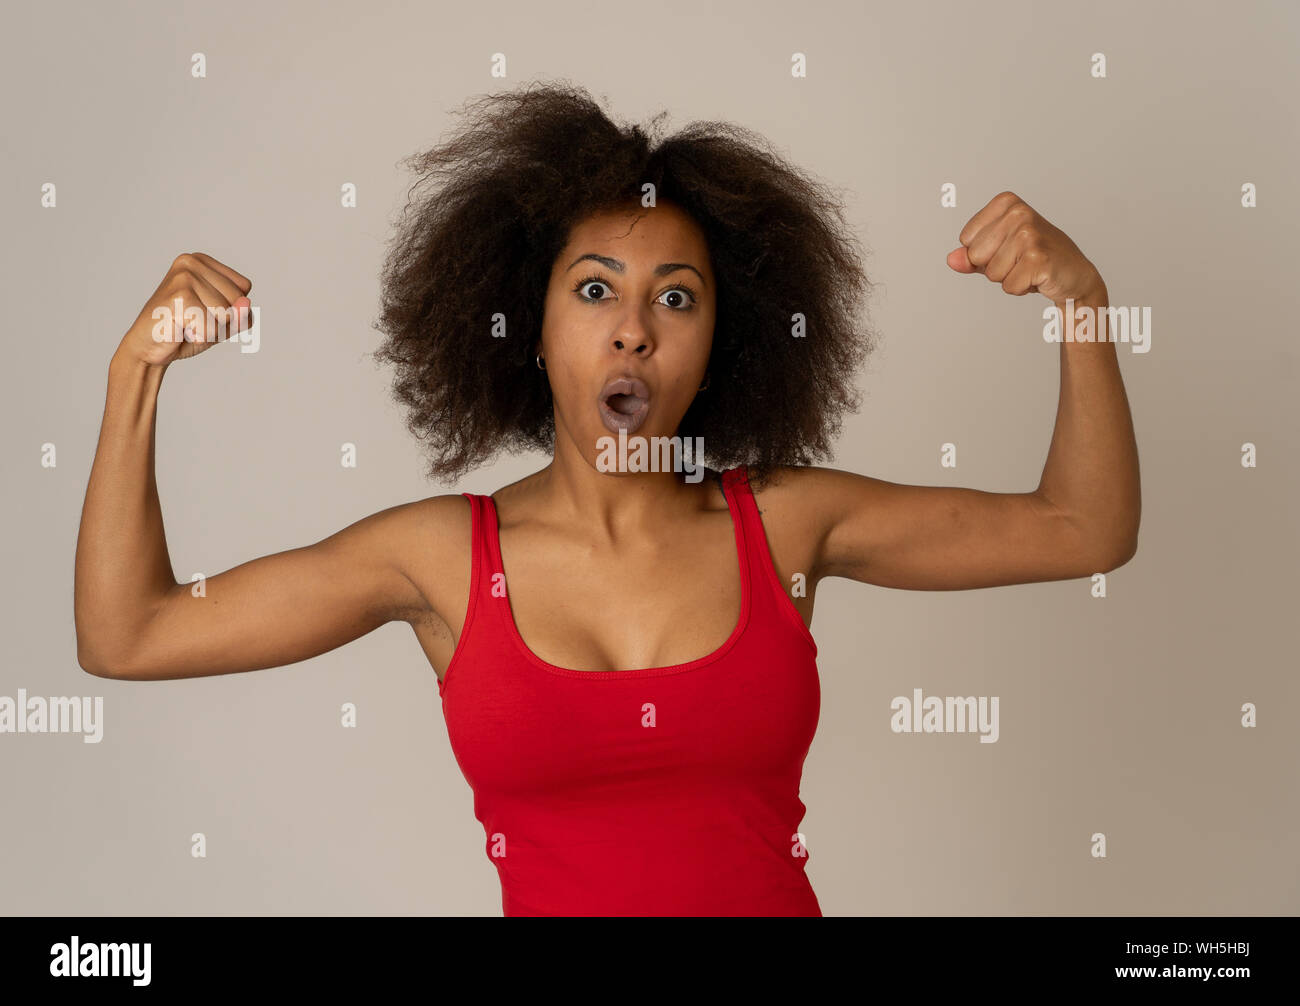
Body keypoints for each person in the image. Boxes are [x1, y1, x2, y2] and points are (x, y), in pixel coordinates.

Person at [73, 81, 1140, 917]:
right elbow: (129, 632)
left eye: (676, 297)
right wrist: (136, 376)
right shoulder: (440, 558)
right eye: (594, 290)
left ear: (725, 340)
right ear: (528, 327)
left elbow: (1080, 527)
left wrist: (1083, 305)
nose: (634, 328)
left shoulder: (786, 523)